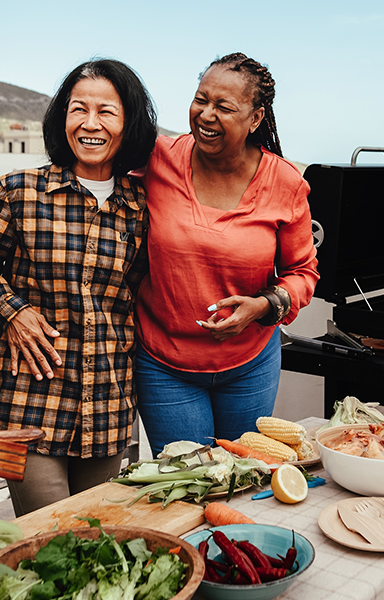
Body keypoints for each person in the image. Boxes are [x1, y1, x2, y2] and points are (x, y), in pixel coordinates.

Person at [0, 59, 158, 516]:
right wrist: (12, 310)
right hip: (31, 400)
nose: (90, 124)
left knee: (101, 539)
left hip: (108, 403)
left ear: (128, 122)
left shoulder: (142, 208)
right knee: (47, 542)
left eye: (106, 112)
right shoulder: (17, 191)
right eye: (79, 109)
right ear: (62, 117)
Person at [132, 53, 318, 454]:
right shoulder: (157, 159)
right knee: (189, 483)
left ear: (255, 119)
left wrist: (265, 305)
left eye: (224, 107)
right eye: (201, 100)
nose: (206, 115)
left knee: (241, 482)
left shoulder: (285, 182)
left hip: (249, 367)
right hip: (164, 364)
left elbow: (302, 272)